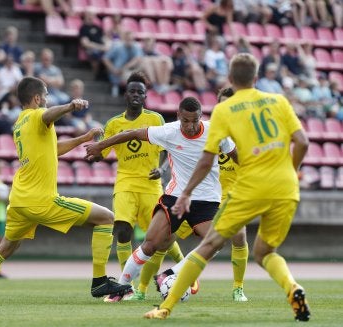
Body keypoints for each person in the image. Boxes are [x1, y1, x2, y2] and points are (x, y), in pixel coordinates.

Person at [142, 53, 310, 322]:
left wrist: (185, 193)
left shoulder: (223, 111)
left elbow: (207, 160)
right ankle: (293, 288)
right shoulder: (279, 101)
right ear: (256, 79)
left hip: (250, 187)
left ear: (230, 79)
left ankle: (166, 307)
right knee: (265, 252)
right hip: (286, 187)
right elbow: (302, 142)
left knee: (208, 246)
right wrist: (291, 172)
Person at [0, 76, 132, 303]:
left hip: (18, 201)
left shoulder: (20, 124)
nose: (46, 100)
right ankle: (99, 281)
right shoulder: (38, 115)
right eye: (45, 96)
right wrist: (70, 106)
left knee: (5, 247)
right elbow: (47, 114)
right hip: (41, 201)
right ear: (37, 98)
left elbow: (52, 149)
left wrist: (83, 138)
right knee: (106, 218)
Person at [85, 96, 246, 302]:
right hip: (175, 197)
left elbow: (236, 155)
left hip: (206, 201)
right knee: (150, 245)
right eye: (185, 120)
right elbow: (131, 133)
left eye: (195, 120)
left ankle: (169, 275)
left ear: (201, 117)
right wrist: (101, 145)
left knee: (216, 241)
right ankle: (122, 288)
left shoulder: (216, 131)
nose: (190, 125)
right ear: (178, 116)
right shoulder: (169, 131)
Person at [94, 72, 184, 302]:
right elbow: (100, 155)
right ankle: (127, 287)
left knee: (164, 237)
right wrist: (94, 144)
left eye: (140, 92)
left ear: (145, 96)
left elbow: (169, 148)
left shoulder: (155, 119)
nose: (136, 95)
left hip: (151, 185)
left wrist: (162, 170)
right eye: (132, 91)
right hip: (125, 182)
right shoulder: (114, 124)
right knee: (123, 230)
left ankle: (185, 273)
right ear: (126, 94)